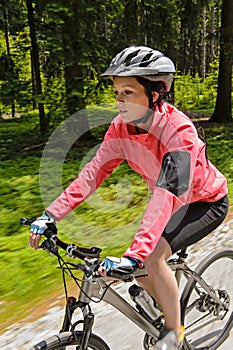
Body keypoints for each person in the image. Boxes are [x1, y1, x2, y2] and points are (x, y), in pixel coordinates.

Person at [29, 46, 228, 350]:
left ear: (154, 94)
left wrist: (137, 252)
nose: (119, 100)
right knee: (140, 268)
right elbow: (93, 172)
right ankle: (161, 299)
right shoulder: (120, 128)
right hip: (169, 201)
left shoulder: (178, 131)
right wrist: (50, 215)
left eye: (128, 91)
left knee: (150, 255)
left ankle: (174, 334)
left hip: (204, 202)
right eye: (117, 91)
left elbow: (167, 192)